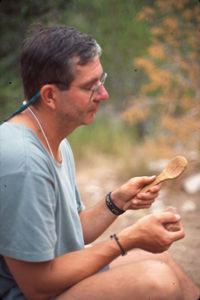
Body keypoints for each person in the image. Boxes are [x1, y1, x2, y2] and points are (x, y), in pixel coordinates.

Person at [0, 25, 199, 300]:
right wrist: (126, 240)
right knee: (157, 280)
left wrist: (115, 201)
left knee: (163, 263)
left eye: (101, 81)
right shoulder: (22, 160)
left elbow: (70, 233)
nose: (104, 95)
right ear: (49, 96)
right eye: (90, 87)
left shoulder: (53, 139)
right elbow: (37, 285)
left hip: (51, 284)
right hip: (29, 292)